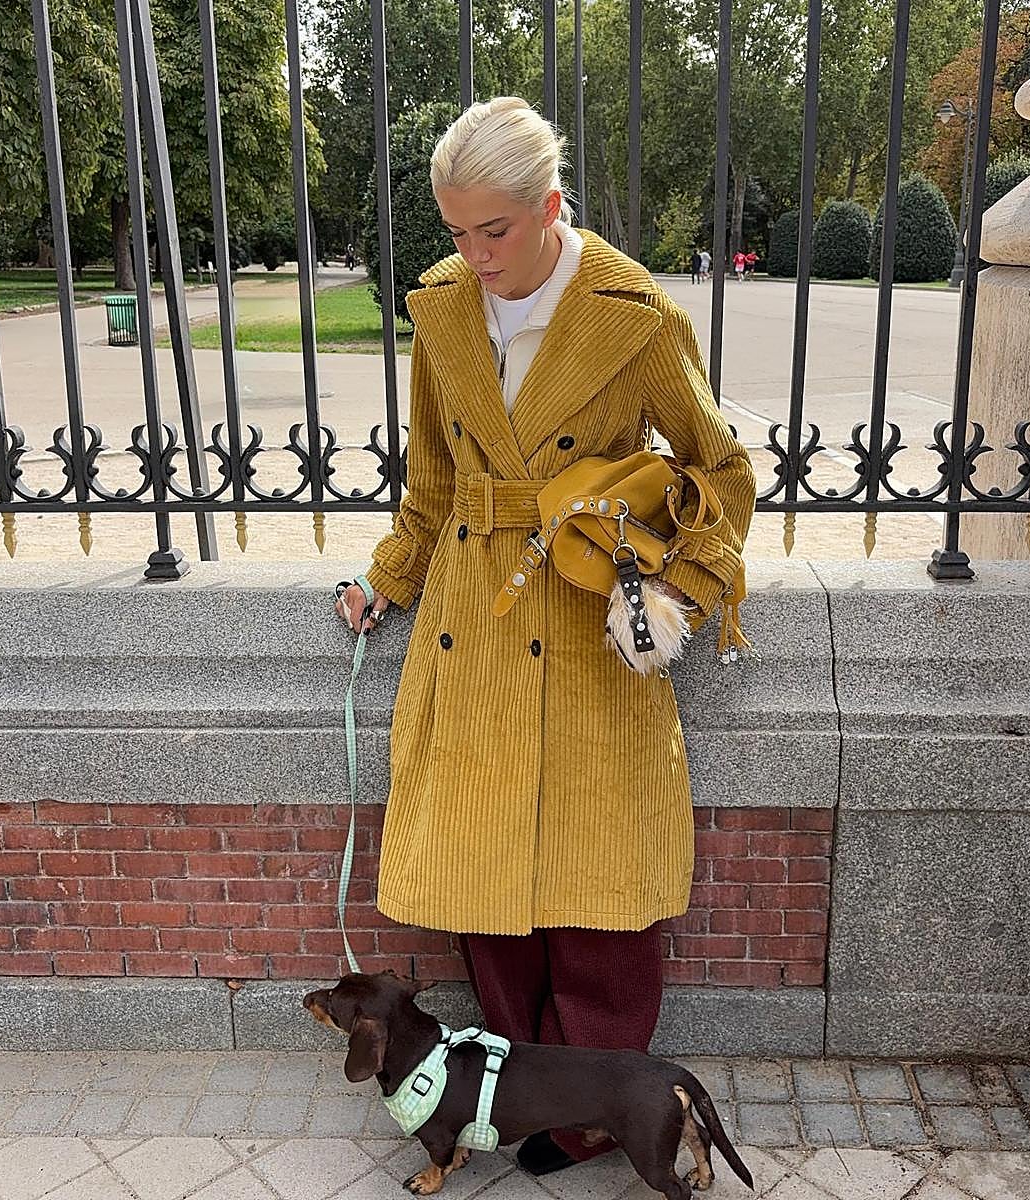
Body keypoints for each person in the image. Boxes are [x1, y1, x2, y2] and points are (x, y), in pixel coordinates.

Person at [336, 95, 757, 1179]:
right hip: (475, 619)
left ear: (551, 206)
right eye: (456, 231)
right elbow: (433, 481)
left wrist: (679, 592)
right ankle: (521, 1097)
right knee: (487, 882)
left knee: (599, 888)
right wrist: (386, 576)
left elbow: (721, 468)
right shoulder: (441, 312)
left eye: (496, 230)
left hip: (586, 619)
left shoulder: (635, 315)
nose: (475, 256)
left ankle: (591, 1116)